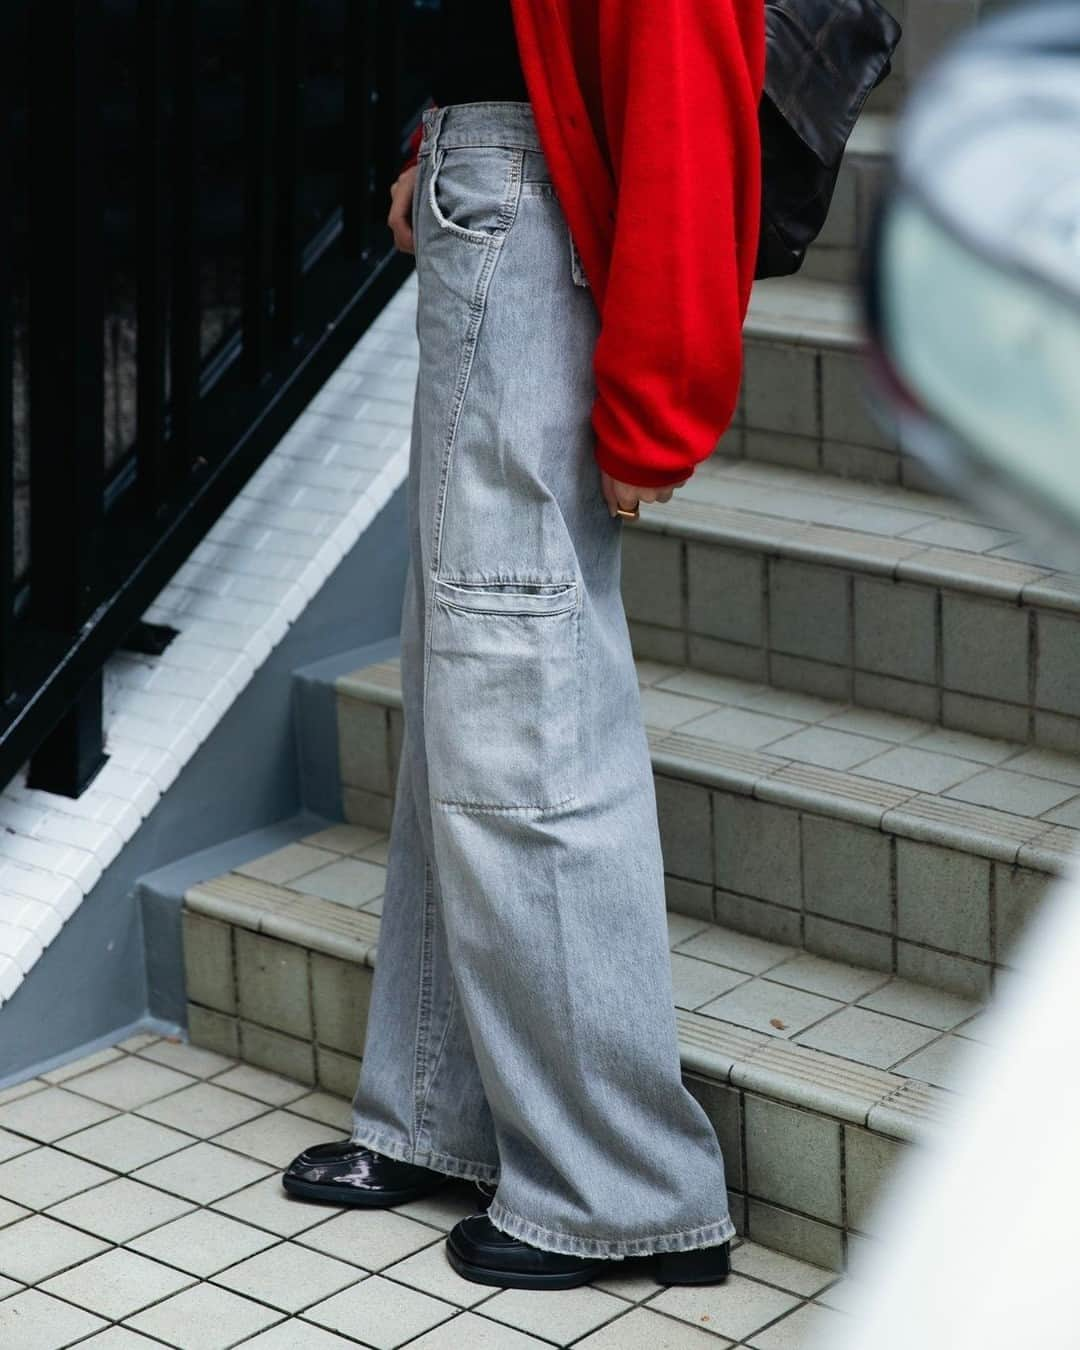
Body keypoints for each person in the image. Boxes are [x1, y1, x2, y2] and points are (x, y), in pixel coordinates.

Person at [282, 0, 764, 1291]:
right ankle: (443, 1106)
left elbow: (678, 54)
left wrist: (654, 398)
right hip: (493, 179)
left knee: (522, 690)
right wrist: (432, 142)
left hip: (538, 203)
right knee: (469, 670)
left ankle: (623, 1186)